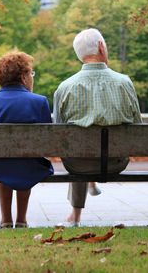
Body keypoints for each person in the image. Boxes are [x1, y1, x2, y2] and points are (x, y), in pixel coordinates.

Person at [53, 28, 142, 226]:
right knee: (83, 151)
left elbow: (58, 135)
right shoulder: (125, 83)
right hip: (115, 163)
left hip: (78, 164)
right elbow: (138, 128)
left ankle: (75, 214)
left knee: (78, 153)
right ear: (102, 47)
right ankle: (87, 190)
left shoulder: (64, 87)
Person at [0, 51, 54, 228]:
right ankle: (21, 220)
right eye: (31, 73)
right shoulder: (39, 101)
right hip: (29, 165)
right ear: (24, 77)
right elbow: (47, 142)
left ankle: (6, 220)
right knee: (25, 160)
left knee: (3, 162)